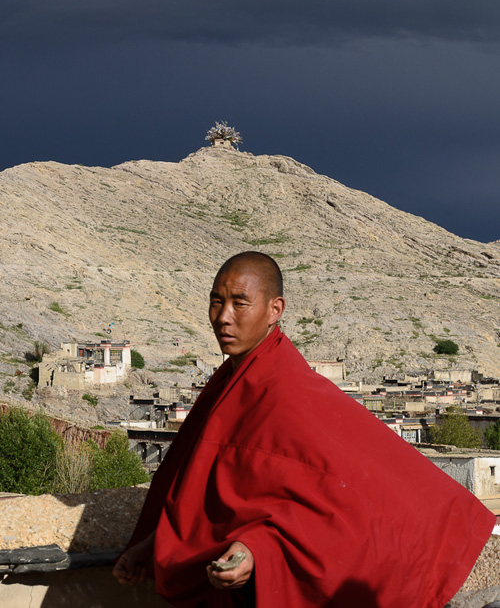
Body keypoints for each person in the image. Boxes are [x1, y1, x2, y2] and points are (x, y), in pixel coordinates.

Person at [113, 252, 495, 607]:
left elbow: (329, 507)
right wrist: (152, 544)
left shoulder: (288, 392)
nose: (223, 316)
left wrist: (255, 549)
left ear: (274, 310)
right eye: (217, 301)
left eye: (239, 303)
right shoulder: (229, 382)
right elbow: (214, 497)